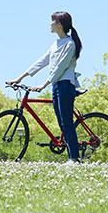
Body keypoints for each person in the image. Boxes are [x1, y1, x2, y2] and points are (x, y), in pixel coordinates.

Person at [7, 11, 82, 164]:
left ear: (59, 25)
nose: (50, 24)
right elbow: (41, 62)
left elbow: (60, 68)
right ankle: (71, 156)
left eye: (52, 21)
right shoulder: (55, 44)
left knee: (67, 122)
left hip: (66, 85)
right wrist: (20, 77)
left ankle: (74, 158)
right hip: (55, 85)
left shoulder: (70, 44)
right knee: (62, 123)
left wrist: (43, 84)